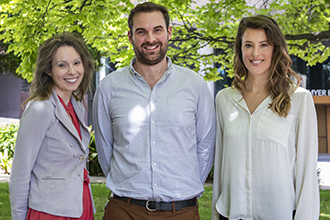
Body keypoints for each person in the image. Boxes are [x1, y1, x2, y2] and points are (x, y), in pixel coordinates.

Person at [92, 2, 216, 220]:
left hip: (181, 212)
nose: (150, 39)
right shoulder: (108, 88)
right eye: (141, 32)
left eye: (157, 30)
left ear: (168, 33)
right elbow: (105, 150)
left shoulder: (195, 85)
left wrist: (182, 189)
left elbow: (205, 147)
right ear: (130, 37)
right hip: (124, 210)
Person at [211, 15, 320, 220]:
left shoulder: (298, 99)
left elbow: (307, 173)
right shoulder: (224, 99)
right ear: (240, 49)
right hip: (231, 215)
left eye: (264, 44)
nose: (255, 53)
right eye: (248, 45)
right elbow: (222, 167)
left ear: (275, 49)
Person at [9, 32, 95, 220]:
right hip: (51, 212)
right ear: (49, 70)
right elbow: (20, 172)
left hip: (80, 205)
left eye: (77, 63)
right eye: (62, 65)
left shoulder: (77, 105)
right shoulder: (41, 109)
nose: (72, 71)